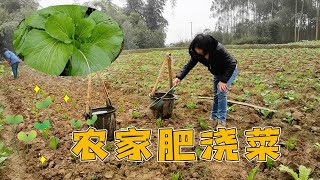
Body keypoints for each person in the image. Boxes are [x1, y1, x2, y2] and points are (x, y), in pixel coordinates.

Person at [173, 34, 238, 128]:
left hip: (229, 71)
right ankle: (214, 117)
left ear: (206, 47)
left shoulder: (219, 50)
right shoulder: (197, 53)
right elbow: (189, 65)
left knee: (221, 92)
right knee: (216, 94)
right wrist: (179, 77)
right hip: (217, 72)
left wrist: (223, 81)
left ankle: (221, 121)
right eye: (196, 47)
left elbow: (232, 64)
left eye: (200, 48)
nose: (197, 50)